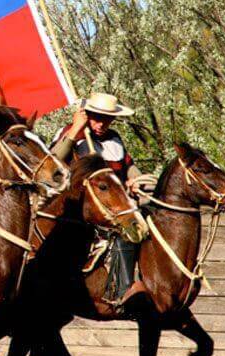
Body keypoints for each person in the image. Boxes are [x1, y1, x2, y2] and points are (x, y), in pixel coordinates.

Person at [51, 91, 157, 303]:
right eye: (97, 118)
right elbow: (53, 161)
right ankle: (122, 288)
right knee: (124, 227)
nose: (102, 123)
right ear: (86, 114)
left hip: (115, 200)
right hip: (82, 205)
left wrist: (136, 180)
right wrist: (75, 130)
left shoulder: (114, 138)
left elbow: (128, 166)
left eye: (107, 119)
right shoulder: (71, 134)